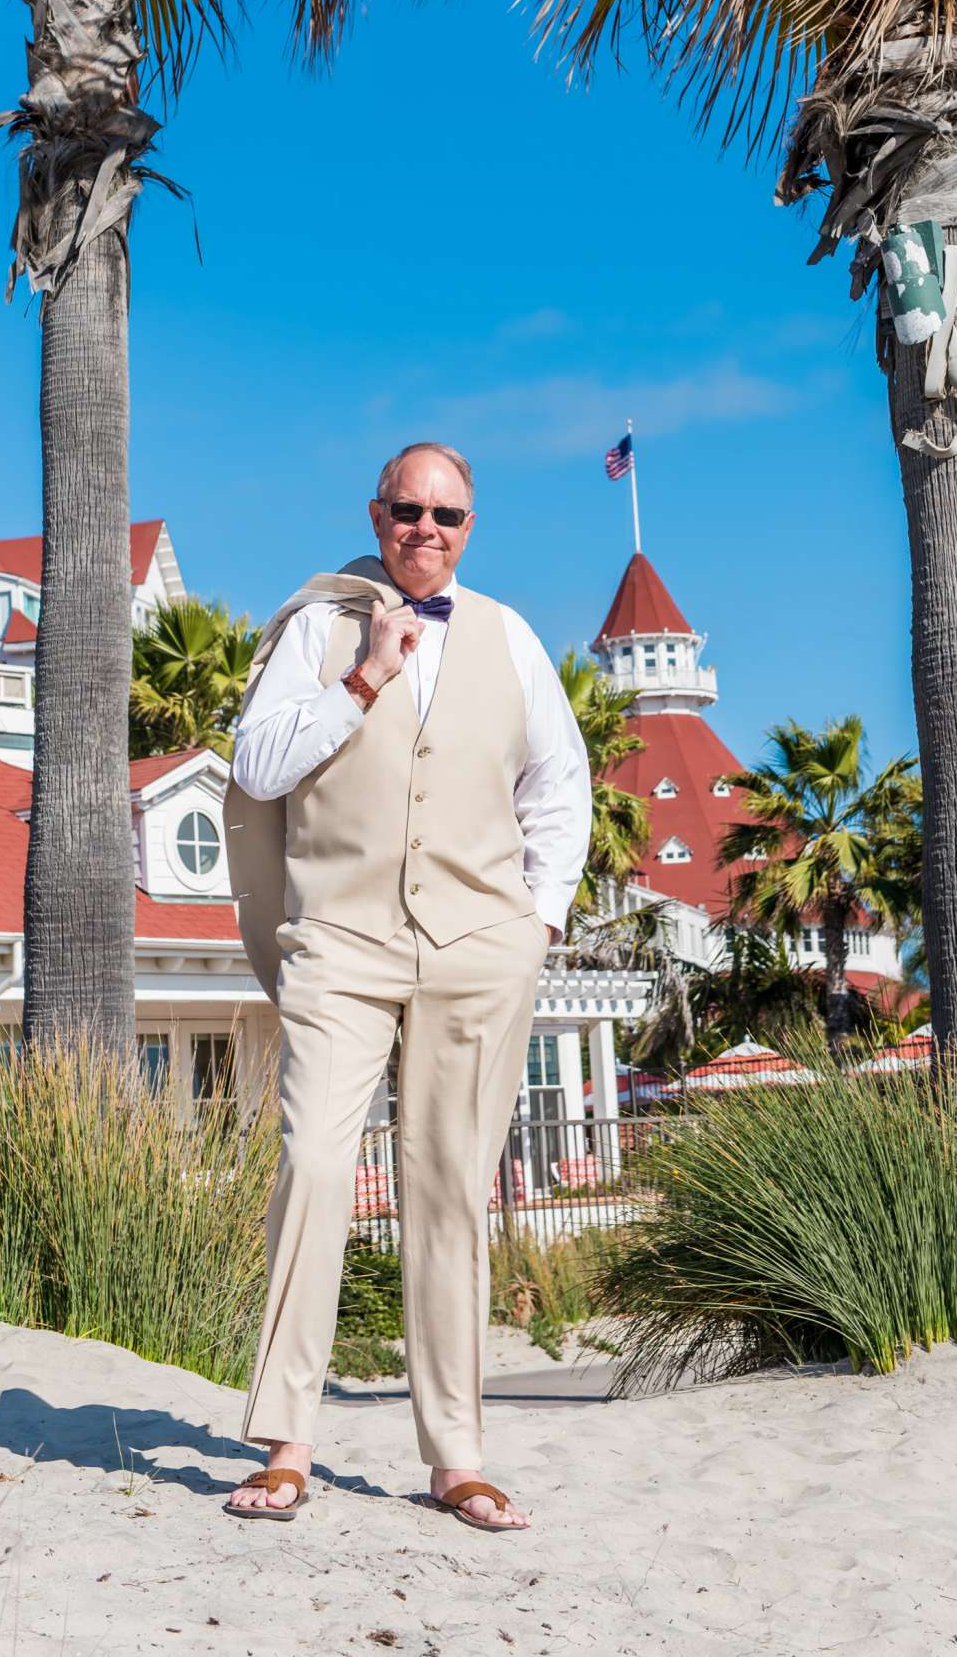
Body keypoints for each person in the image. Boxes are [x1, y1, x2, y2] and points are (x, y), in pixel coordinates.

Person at [223, 442, 590, 1530]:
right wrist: (364, 676)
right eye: (407, 508)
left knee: (446, 1192)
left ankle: (455, 1455)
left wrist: (540, 918)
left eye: (447, 514)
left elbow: (556, 781)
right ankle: (288, 1442)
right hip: (341, 937)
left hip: (477, 944)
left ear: (469, 525)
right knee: (318, 1165)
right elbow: (254, 767)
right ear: (374, 512)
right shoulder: (315, 627)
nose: (425, 528)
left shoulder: (510, 638)